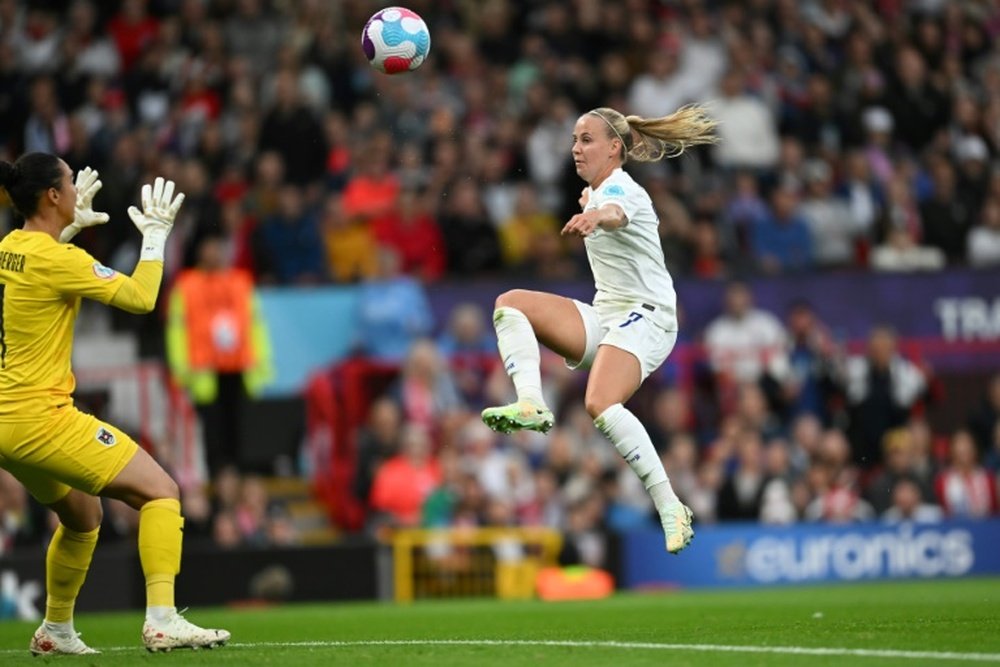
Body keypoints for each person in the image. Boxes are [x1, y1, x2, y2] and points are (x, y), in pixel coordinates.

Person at [0, 153, 229, 655]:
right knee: (162, 491)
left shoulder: (9, 248)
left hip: (6, 424)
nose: (79, 191)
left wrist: (62, 234)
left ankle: (56, 630)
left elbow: (36, 277)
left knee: (83, 518)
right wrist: (156, 236)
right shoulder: (60, 260)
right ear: (53, 197)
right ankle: (163, 619)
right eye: (68, 182)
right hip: (41, 418)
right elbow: (142, 298)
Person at [480, 105, 718, 554]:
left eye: (586, 139)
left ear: (615, 148)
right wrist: (592, 206)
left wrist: (596, 215)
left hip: (649, 316)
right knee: (510, 305)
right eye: (574, 139)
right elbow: (601, 205)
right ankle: (531, 402)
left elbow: (616, 212)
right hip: (608, 315)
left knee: (599, 402)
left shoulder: (623, 190)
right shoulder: (594, 193)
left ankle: (671, 506)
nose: (575, 148)